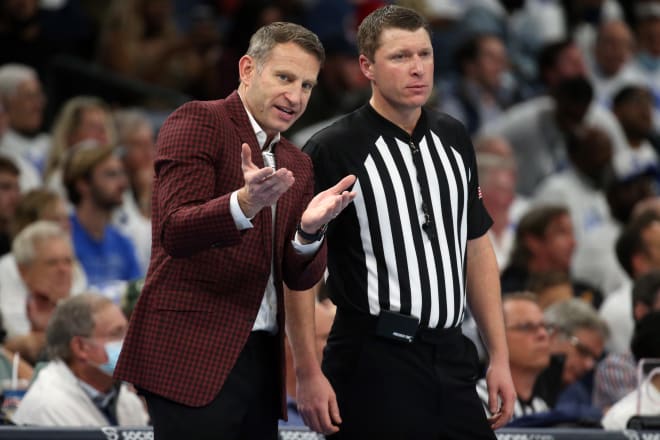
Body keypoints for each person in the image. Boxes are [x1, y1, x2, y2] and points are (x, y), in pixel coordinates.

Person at [114, 22, 356, 440]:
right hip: (191, 357)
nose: (295, 96)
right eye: (284, 77)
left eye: (307, 86)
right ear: (247, 69)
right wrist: (243, 204)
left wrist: (309, 234)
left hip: (261, 365)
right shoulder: (198, 121)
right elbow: (174, 229)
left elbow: (298, 277)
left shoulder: (297, 164)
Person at [300, 6, 515, 438]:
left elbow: (475, 245)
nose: (417, 68)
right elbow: (299, 265)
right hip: (372, 357)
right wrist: (307, 371)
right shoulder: (332, 148)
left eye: (425, 54)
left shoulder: (454, 137)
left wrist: (500, 357)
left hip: (451, 351)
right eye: (400, 57)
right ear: (367, 67)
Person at [12, 293, 149, 427]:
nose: (129, 341)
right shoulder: (47, 405)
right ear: (80, 347)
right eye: (116, 333)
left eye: (127, 331)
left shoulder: (125, 398)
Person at [476, 292, 551, 421]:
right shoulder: (476, 400)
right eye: (527, 327)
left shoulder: (541, 408)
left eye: (544, 326)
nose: (543, 334)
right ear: (492, 337)